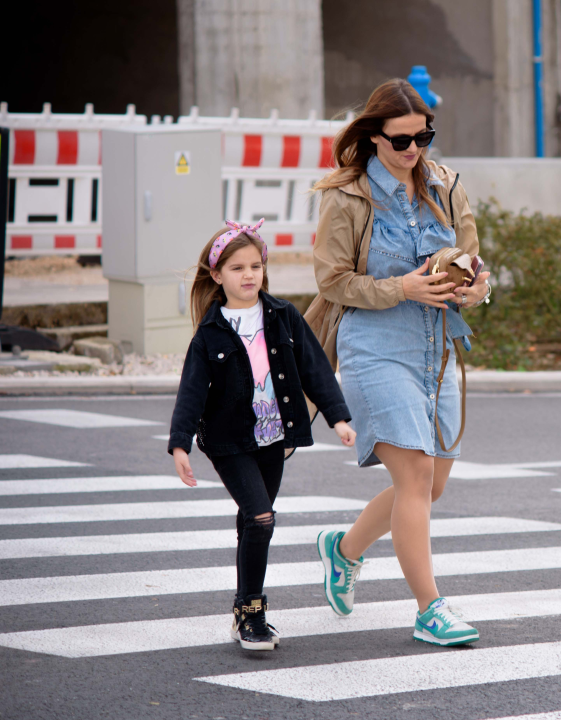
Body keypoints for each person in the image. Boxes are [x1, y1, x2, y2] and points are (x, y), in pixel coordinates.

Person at [309, 79, 491, 646]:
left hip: (437, 349)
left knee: (431, 484)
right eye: (402, 140)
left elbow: (474, 263)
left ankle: (342, 550)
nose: (415, 150)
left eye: (423, 137)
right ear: (374, 137)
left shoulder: (446, 185)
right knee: (412, 474)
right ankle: (429, 608)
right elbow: (332, 281)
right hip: (374, 348)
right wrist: (402, 288)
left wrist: (475, 288)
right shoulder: (347, 197)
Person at [168, 219, 357, 651]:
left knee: (252, 521)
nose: (249, 275)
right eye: (237, 268)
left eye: (255, 265)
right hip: (228, 442)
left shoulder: (283, 315)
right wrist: (180, 442)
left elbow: (315, 369)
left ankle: (241, 609)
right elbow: (192, 391)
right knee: (261, 518)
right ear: (217, 275)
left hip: (275, 439)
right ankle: (252, 613)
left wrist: (338, 418)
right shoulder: (211, 332)